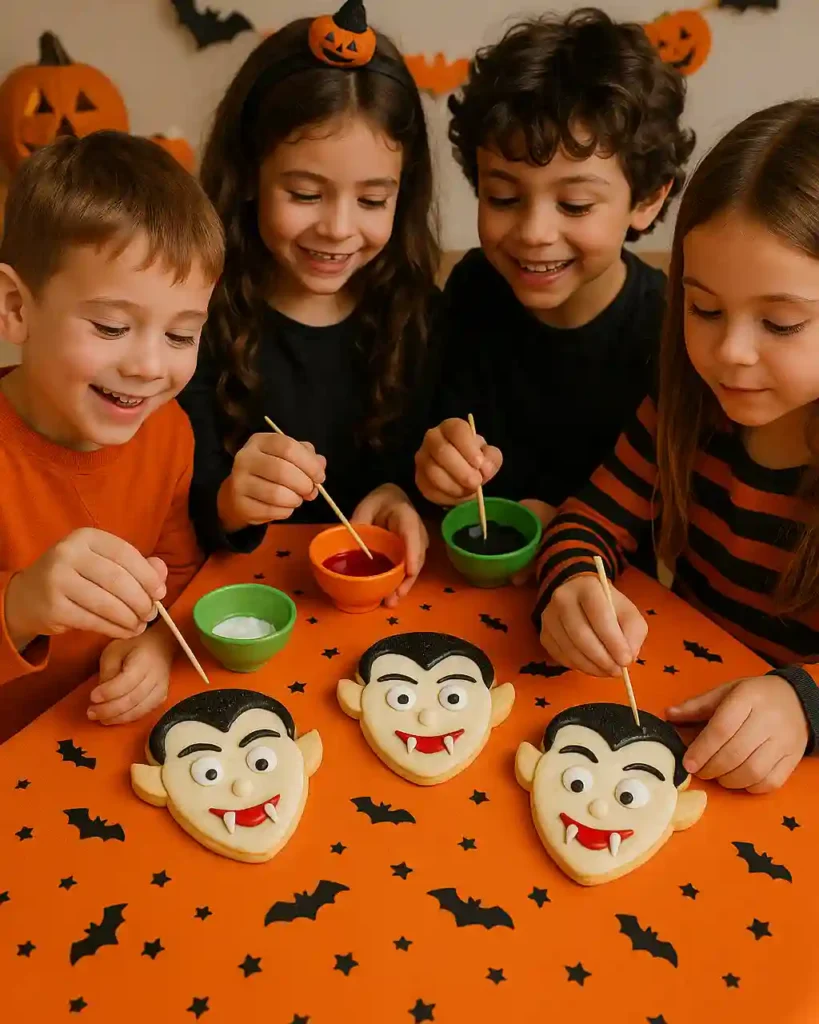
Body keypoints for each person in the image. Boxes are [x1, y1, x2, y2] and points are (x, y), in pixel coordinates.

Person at [536, 100, 819, 794]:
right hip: (672, 743)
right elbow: (585, 522)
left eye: (780, 323)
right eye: (704, 308)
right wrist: (574, 583)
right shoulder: (683, 410)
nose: (729, 352)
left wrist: (802, 702)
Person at [179, 0, 438, 605]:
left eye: (373, 201)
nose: (338, 229)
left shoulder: (418, 313)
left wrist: (406, 497)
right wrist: (232, 503)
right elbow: (175, 514)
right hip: (242, 610)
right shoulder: (194, 318)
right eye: (304, 193)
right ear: (248, 174)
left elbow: (421, 467)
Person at [415, 8, 694, 534]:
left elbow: (668, 514)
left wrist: (571, 528)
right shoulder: (474, 287)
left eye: (575, 204)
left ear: (649, 201)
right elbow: (441, 441)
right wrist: (436, 464)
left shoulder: (669, 327)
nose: (535, 232)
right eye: (503, 196)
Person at [0, 131, 224, 742]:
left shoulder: (167, 430)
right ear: (17, 308)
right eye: (112, 326)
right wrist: (21, 603)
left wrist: (155, 643)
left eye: (181, 336)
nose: (150, 367)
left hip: (108, 742)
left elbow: (178, 572)